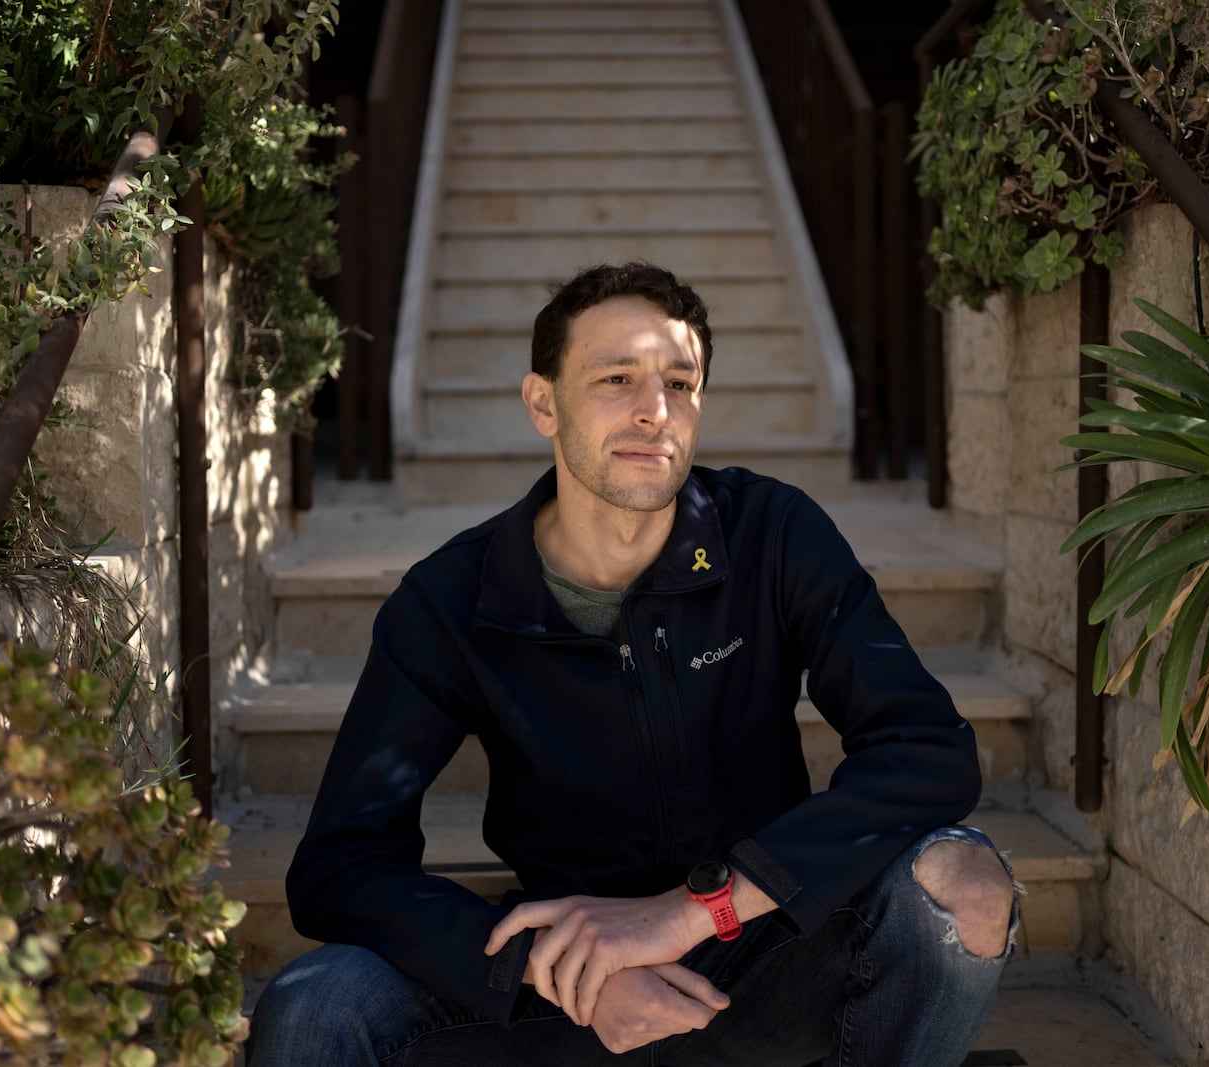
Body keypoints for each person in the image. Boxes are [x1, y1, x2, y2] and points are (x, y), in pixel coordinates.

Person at [248, 262, 1017, 1066]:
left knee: (963, 882)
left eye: (680, 383)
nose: (656, 410)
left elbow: (928, 751)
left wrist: (693, 910)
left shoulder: (771, 535)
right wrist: (548, 968)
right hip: (569, 996)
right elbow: (341, 864)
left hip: (763, 959)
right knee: (316, 1007)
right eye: (616, 378)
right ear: (543, 402)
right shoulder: (450, 600)